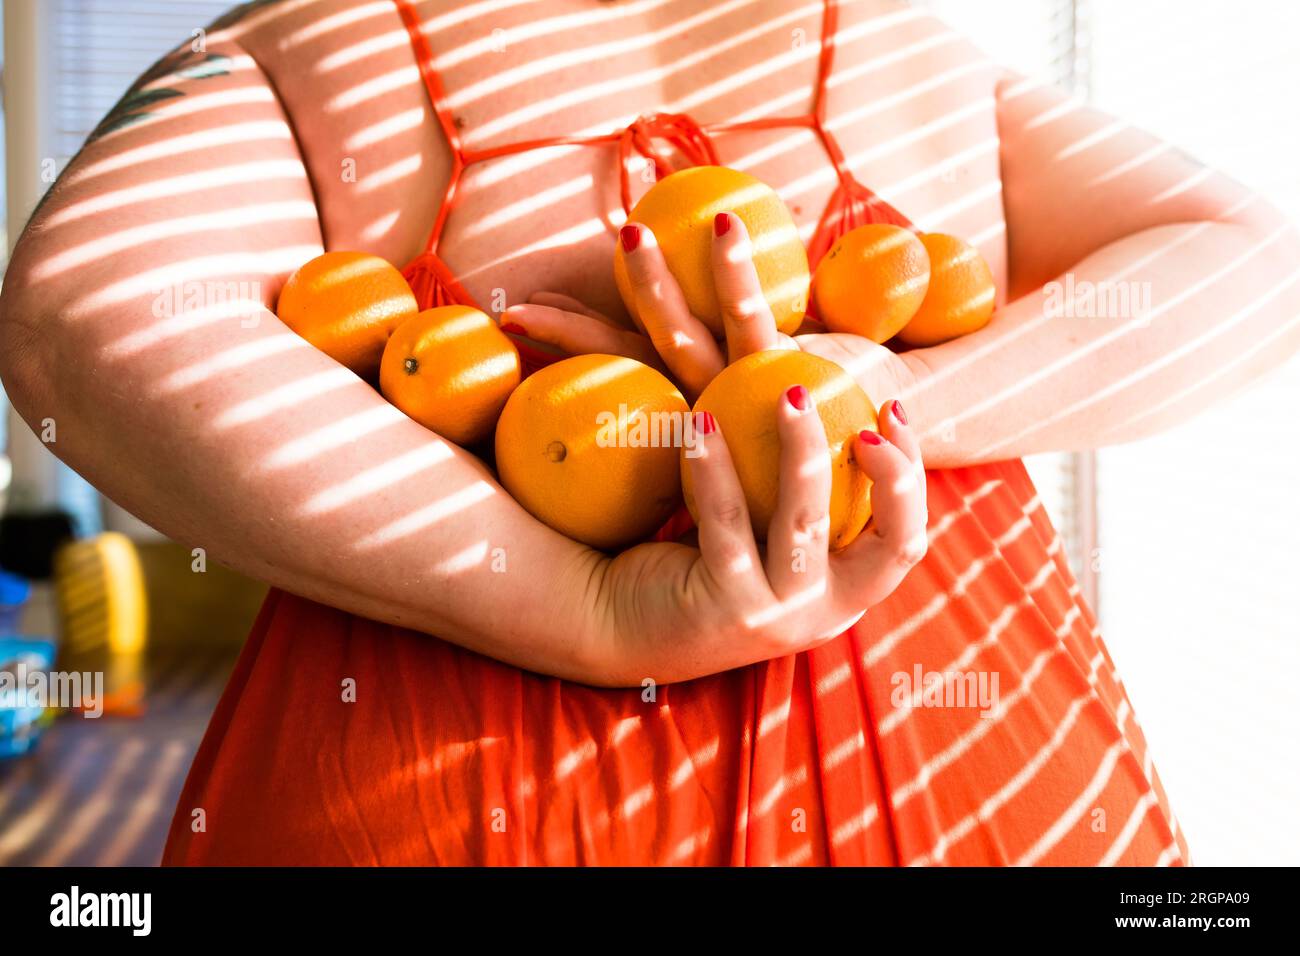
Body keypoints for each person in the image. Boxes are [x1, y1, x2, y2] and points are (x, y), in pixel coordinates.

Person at [1, 0, 1296, 865]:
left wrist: (825, 409)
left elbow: (85, 308)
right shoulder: (900, 39)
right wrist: (863, 401)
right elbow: (1256, 259)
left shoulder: (318, 38)